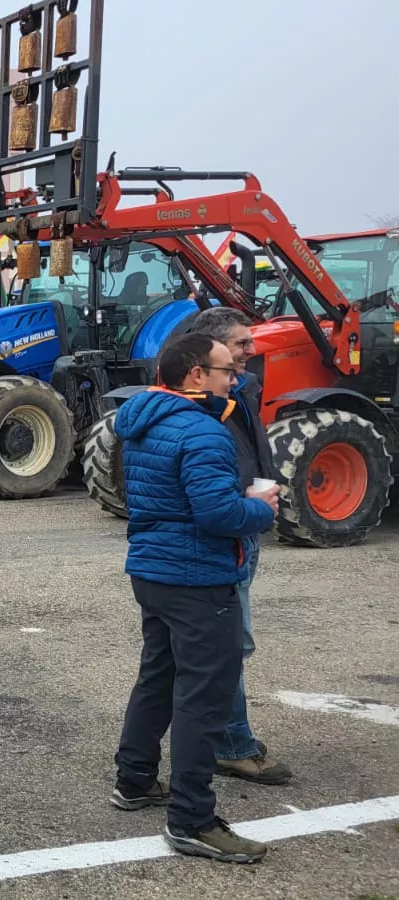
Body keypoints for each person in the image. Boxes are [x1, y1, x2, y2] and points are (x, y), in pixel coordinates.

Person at [111, 333, 279, 864]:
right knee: (203, 698)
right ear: (194, 375)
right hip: (198, 578)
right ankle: (192, 819)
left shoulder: (142, 421)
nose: (236, 378)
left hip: (153, 570)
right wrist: (262, 508)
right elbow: (218, 516)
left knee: (158, 676)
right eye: (227, 369)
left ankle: (134, 779)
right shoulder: (205, 433)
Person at [185, 307, 293, 785]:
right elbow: (208, 492)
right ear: (211, 352)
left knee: (212, 647)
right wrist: (243, 504)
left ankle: (213, 738)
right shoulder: (197, 409)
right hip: (227, 530)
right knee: (229, 644)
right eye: (242, 345)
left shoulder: (242, 390)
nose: (253, 350)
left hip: (247, 521)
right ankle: (231, 743)